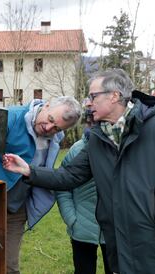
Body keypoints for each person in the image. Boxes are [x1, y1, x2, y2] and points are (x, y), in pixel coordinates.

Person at [3, 68, 155, 274]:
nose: (88, 103)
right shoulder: (97, 138)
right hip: (119, 243)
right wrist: (29, 170)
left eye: (93, 96)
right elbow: (69, 176)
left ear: (114, 96)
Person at [0, 96, 82, 274]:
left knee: (9, 267)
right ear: (46, 105)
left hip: (15, 209)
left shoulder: (54, 138)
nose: (48, 128)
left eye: (56, 128)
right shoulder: (11, 118)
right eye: (50, 119)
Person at [55, 98, 112, 274]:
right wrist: (72, 219)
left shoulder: (119, 148)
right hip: (82, 228)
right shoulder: (76, 150)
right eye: (91, 122)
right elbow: (62, 184)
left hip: (115, 229)